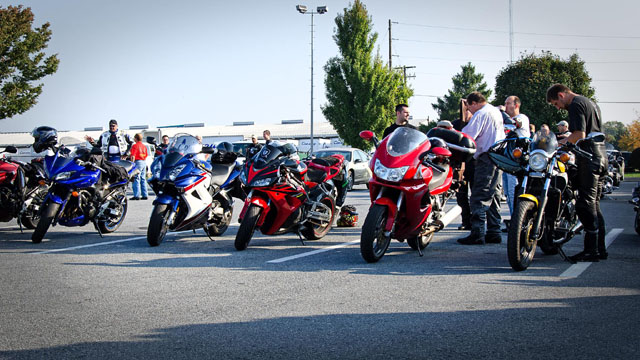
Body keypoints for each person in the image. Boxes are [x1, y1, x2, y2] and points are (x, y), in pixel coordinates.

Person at [547, 84, 608, 262]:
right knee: (594, 204)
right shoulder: (590, 102)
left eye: (556, 103)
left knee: (584, 204)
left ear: (561, 95)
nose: (558, 107)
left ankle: (591, 251)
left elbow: (579, 134)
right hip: (600, 155)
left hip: (589, 157)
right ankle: (599, 249)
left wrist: (558, 144)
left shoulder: (575, 104)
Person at [457, 92, 505, 245]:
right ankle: (494, 231)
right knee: (494, 194)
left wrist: (454, 134)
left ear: (473, 103)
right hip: (499, 157)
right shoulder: (495, 111)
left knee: (480, 195)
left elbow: (468, 136)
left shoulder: (481, 113)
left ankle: (477, 233)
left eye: (469, 108)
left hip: (487, 157)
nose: (469, 112)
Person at [502, 96, 530, 224]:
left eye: (508, 103)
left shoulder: (522, 118)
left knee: (514, 191)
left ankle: (519, 221)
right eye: (505, 103)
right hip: (507, 160)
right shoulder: (504, 121)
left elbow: (516, 124)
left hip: (518, 161)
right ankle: (514, 219)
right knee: (508, 193)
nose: (505, 106)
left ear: (516, 105)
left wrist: (501, 112)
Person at [452, 99, 475, 230]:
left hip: (474, 163)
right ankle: (466, 221)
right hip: (460, 164)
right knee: (461, 195)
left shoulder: (476, 123)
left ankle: (475, 222)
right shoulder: (456, 124)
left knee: (476, 195)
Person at [129, 133, 148, 200]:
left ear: (136, 138)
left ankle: (137, 195)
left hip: (137, 161)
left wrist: (132, 163)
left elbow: (133, 155)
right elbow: (146, 154)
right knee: (143, 178)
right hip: (143, 162)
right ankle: (145, 194)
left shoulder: (135, 146)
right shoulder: (144, 146)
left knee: (136, 178)